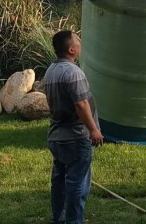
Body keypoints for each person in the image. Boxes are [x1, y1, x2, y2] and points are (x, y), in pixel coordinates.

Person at [43, 30, 103, 224]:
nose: (80, 43)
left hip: (57, 136)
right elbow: (81, 104)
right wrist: (93, 129)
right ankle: (74, 220)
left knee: (59, 181)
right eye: (78, 41)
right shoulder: (73, 72)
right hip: (75, 137)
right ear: (71, 49)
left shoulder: (51, 70)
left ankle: (59, 218)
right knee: (77, 184)